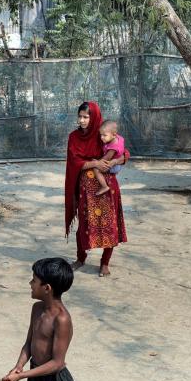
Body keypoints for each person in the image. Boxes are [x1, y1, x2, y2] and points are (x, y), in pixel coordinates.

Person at [64, 101, 128, 277]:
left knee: (110, 225)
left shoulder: (103, 133)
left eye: (86, 117)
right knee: (83, 225)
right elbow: (74, 162)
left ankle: (105, 263)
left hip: (107, 188)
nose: (82, 120)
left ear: (94, 117)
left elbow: (123, 152)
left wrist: (115, 161)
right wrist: (95, 163)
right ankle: (80, 258)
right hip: (86, 189)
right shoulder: (73, 137)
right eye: (80, 116)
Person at [92, 120, 126, 196]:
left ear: (114, 135)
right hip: (117, 164)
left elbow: (106, 158)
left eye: (104, 135)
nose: (101, 137)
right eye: (101, 135)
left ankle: (104, 186)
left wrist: (97, 162)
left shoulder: (112, 148)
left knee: (95, 169)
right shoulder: (118, 138)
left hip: (113, 166)